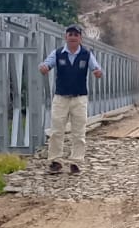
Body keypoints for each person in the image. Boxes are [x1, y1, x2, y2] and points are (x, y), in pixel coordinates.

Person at [38, 24, 103, 174]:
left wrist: (98, 72)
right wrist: (44, 68)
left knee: (79, 131)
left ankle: (76, 162)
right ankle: (56, 161)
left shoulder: (86, 54)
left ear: (80, 38)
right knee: (56, 130)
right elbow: (46, 65)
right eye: (70, 34)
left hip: (79, 98)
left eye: (76, 35)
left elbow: (96, 68)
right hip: (61, 97)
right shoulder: (58, 53)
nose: (73, 37)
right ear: (65, 37)